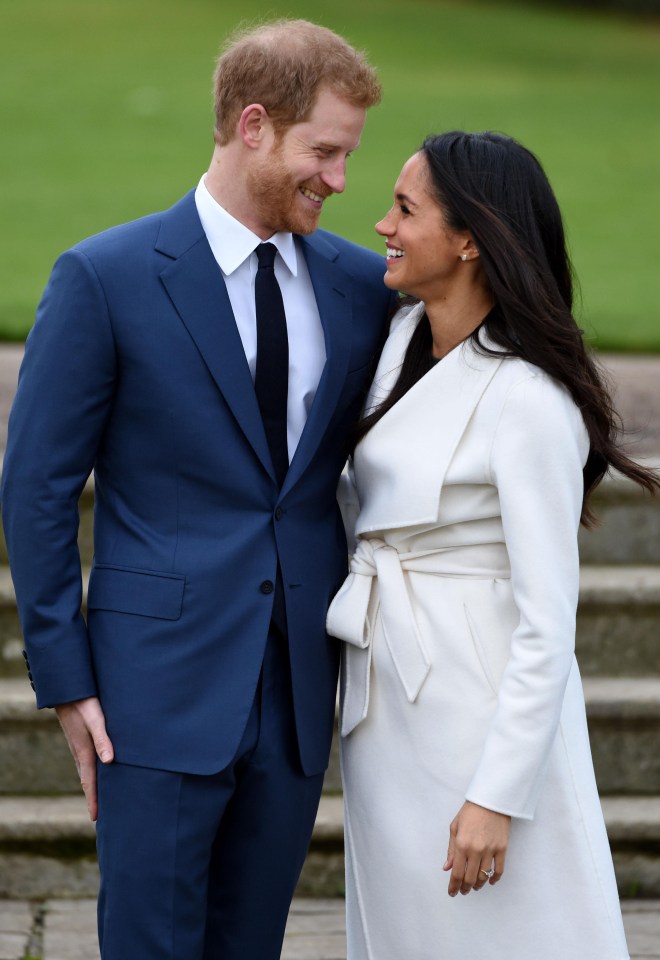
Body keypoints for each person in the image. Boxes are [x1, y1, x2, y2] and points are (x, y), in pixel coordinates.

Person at [1, 19, 395, 959]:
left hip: (298, 686)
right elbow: (38, 489)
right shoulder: (105, 277)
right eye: (325, 151)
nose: (341, 179)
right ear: (253, 126)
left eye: (348, 155)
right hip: (152, 687)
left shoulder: (357, 286)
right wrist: (67, 682)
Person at [327, 131, 659, 959]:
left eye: (405, 209)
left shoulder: (529, 401)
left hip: (478, 720)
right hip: (385, 700)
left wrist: (497, 796)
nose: (382, 225)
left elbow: (549, 625)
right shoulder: (399, 342)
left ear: (470, 238)